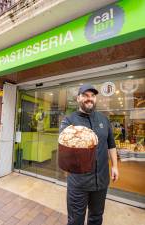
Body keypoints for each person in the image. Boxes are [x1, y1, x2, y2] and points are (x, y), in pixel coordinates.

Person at [59, 84, 119, 225]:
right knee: (75, 220)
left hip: (101, 181)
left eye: (92, 96)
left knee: (96, 217)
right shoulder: (69, 121)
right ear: (78, 98)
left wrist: (115, 166)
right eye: (85, 95)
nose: (89, 99)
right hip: (79, 183)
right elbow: (64, 147)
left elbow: (111, 145)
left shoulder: (104, 119)